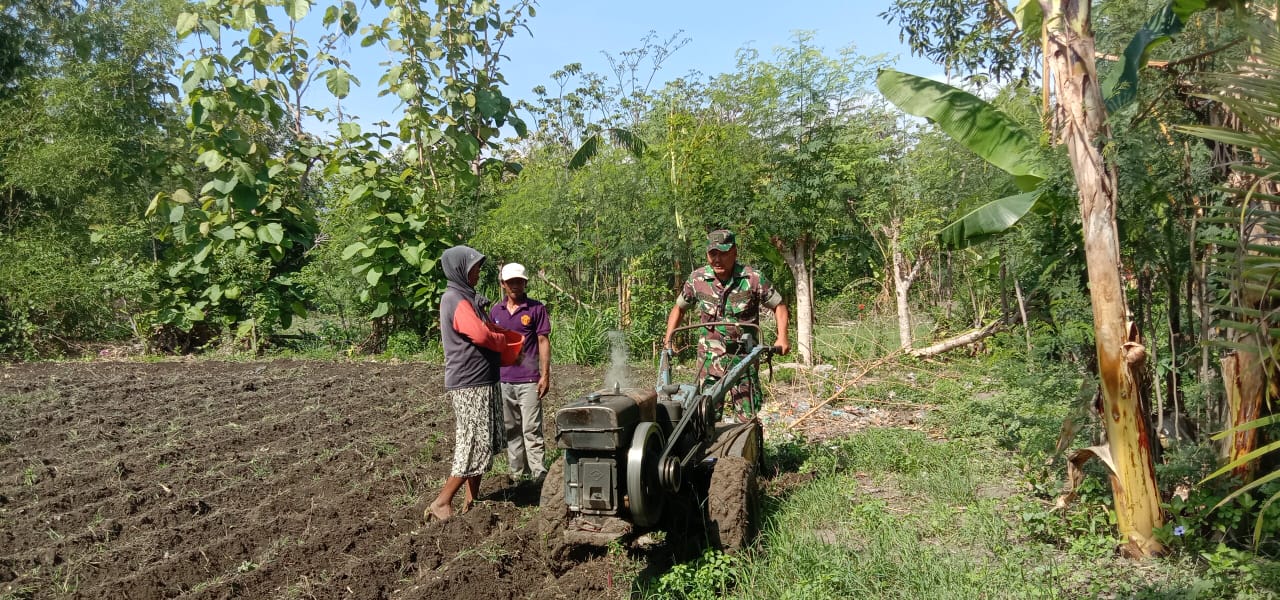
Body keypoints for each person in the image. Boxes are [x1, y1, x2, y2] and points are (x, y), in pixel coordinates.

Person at [663, 229, 790, 421]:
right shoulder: (697, 279)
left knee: (747, 419)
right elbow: (679, 309)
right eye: (712, 253)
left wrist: (782, 337)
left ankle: (747, 448)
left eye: (723, 253)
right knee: (704, 419)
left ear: (735, 252)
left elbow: (779, 306)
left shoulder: (753, 279)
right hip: (709, 362)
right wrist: (668, 339)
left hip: (743, 361)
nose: (717, 259)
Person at [426, 245, 513, 522]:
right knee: (473, 441)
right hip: (470, 382)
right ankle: (442, 501)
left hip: (482, 380)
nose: (477, 271)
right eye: (473, 266)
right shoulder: (455, 298)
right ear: (459, 269)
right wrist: (502, 341)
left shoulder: (467, 297)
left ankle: (472, 498)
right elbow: (480, 335)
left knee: (483, 440)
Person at [488, 263, 552, 483]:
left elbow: (543, 341)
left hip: (529, 380)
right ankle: (517, 474)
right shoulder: (496, 312)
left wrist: (545, 374)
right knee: (511, 429)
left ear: (525, 283)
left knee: (531, 429)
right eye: (511, 282)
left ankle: (538, 474)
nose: (515, 285)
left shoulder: (535, 309)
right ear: (503, 284)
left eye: (519, 281)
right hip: (504, 380)